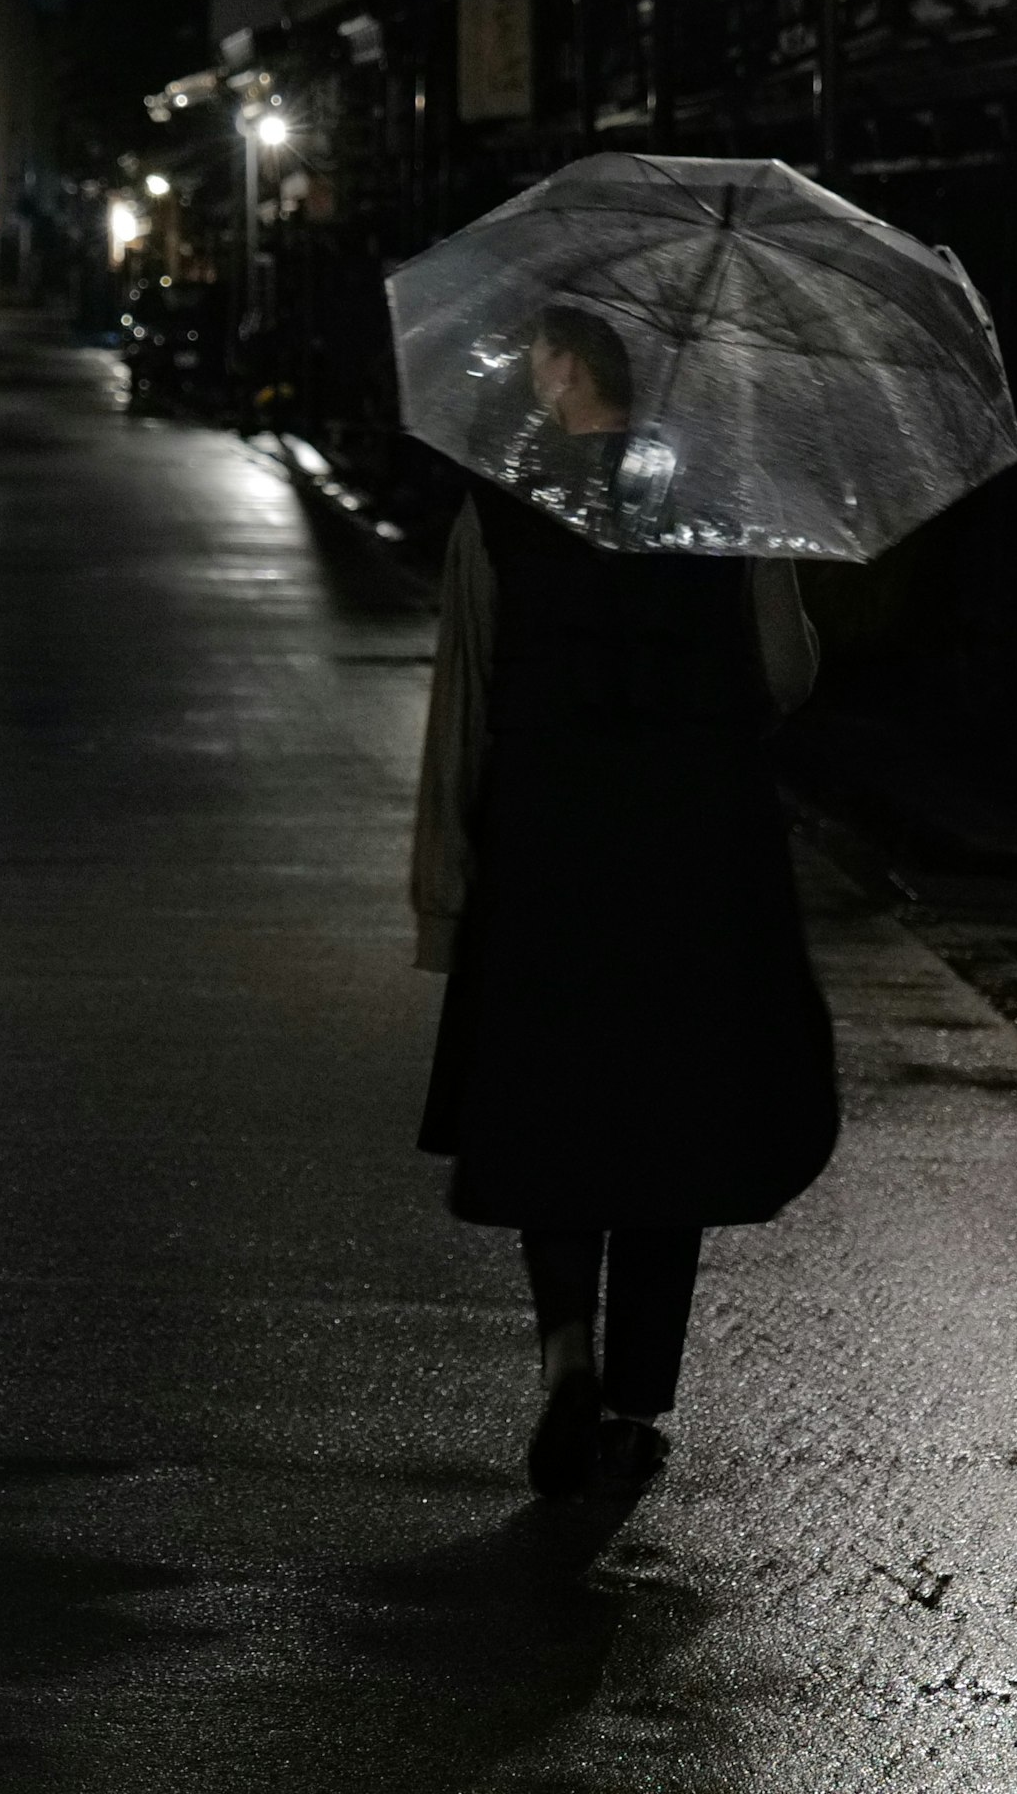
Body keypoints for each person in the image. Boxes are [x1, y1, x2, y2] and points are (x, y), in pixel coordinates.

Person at [409, 300, 834, 1496]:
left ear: (564, 361)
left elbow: (470, 698)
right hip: (691, 854)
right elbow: (786, 675)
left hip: (546, 846)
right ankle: (639, 1393)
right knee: (666, 1125)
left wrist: (448, 886)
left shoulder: (500, 507)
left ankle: (566, 1354)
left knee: (555, 1113)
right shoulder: (717, 496)